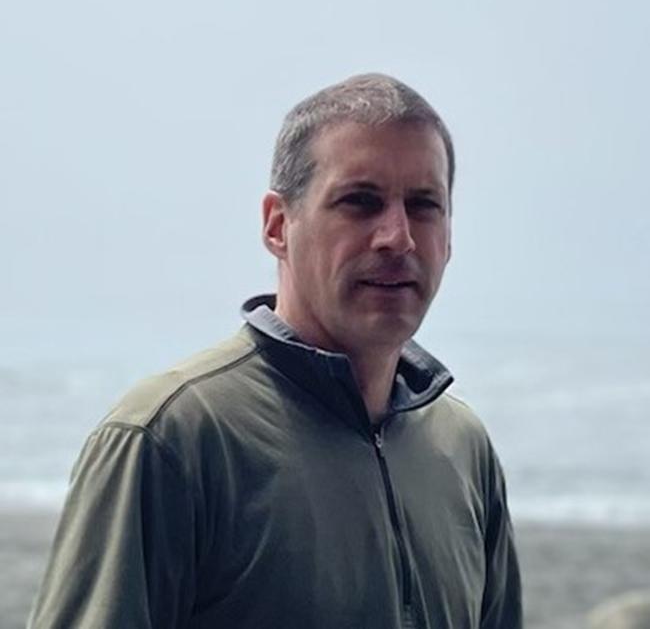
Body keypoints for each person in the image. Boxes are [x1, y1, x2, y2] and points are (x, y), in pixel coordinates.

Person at [29, 73, 522, 628]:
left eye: (424, 205)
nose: (398, 237)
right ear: (277, 225)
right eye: (360, 202)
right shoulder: (172, 437)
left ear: (450, 236)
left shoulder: (462, 448)